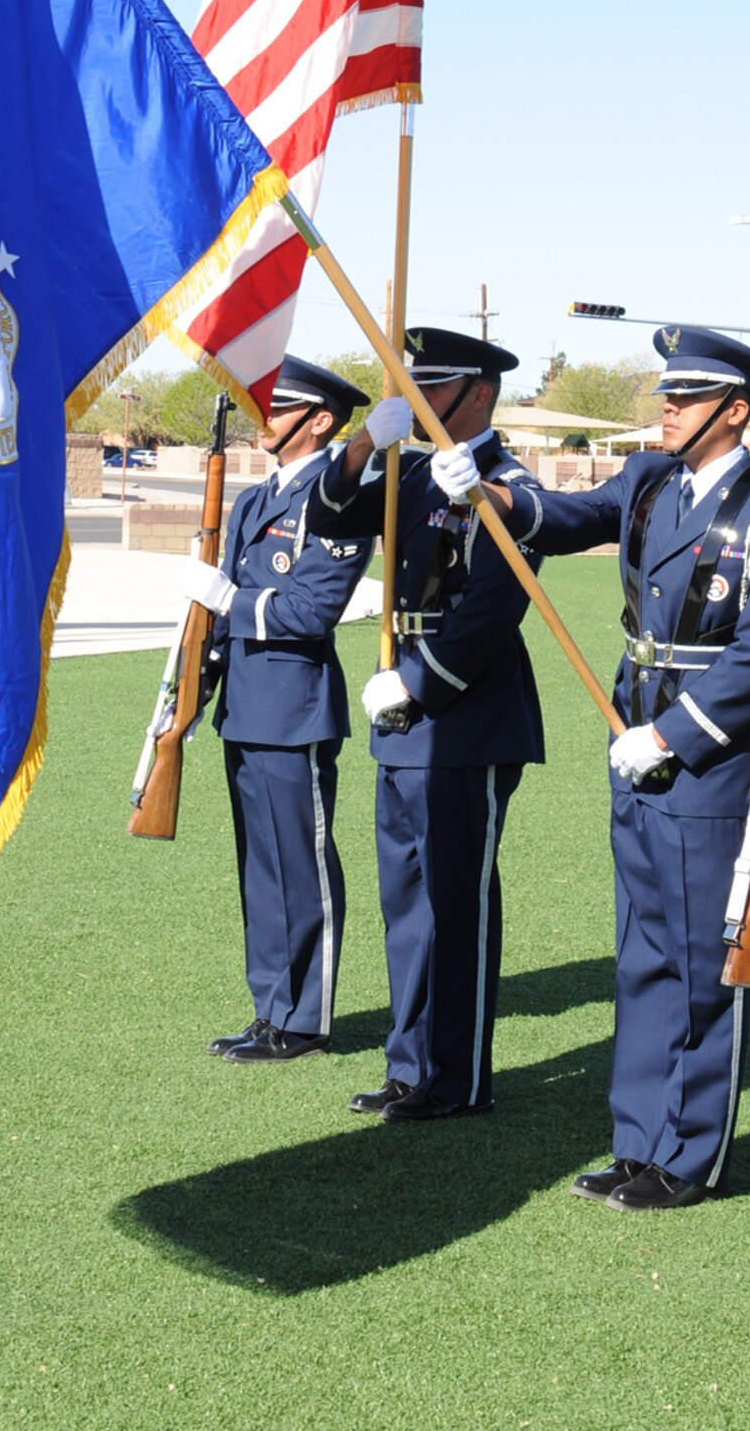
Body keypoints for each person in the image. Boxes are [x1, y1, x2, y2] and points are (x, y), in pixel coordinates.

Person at [447, 325, 750, 1207]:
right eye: (665, 393)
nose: (665, 407)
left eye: (685, 396)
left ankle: (686, 1156)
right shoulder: (646, 480)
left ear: (735, 411)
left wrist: (675, 736)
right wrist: (490, 494)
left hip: (704, 756)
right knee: (641, 953)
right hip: (628, 729)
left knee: (694, 956)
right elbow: (566, 519)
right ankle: (638, 1142)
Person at [304, 327, 544, 1122]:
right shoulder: (409, 472)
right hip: (399, 712)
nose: (411, 399)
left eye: (428, 387)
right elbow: (331, 517)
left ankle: (457, 1077)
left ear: (476, 393)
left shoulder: (505, 485)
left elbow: (487, 613)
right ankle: (411, 1068)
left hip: (462, 714)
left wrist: (415, 686)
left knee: (453, 901)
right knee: (406, 901)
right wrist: (358, 446)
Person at [190, 356, 373, 1065]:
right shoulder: (252, 499)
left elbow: (312, 609)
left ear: (320, 420)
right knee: (261, 868)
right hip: (243, 703)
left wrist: (226, 600)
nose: (263, 415)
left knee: (300, 867)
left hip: (294, 706)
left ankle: (304, 1018)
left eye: (278, 404)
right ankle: (271, 1008)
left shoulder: (338, 494)